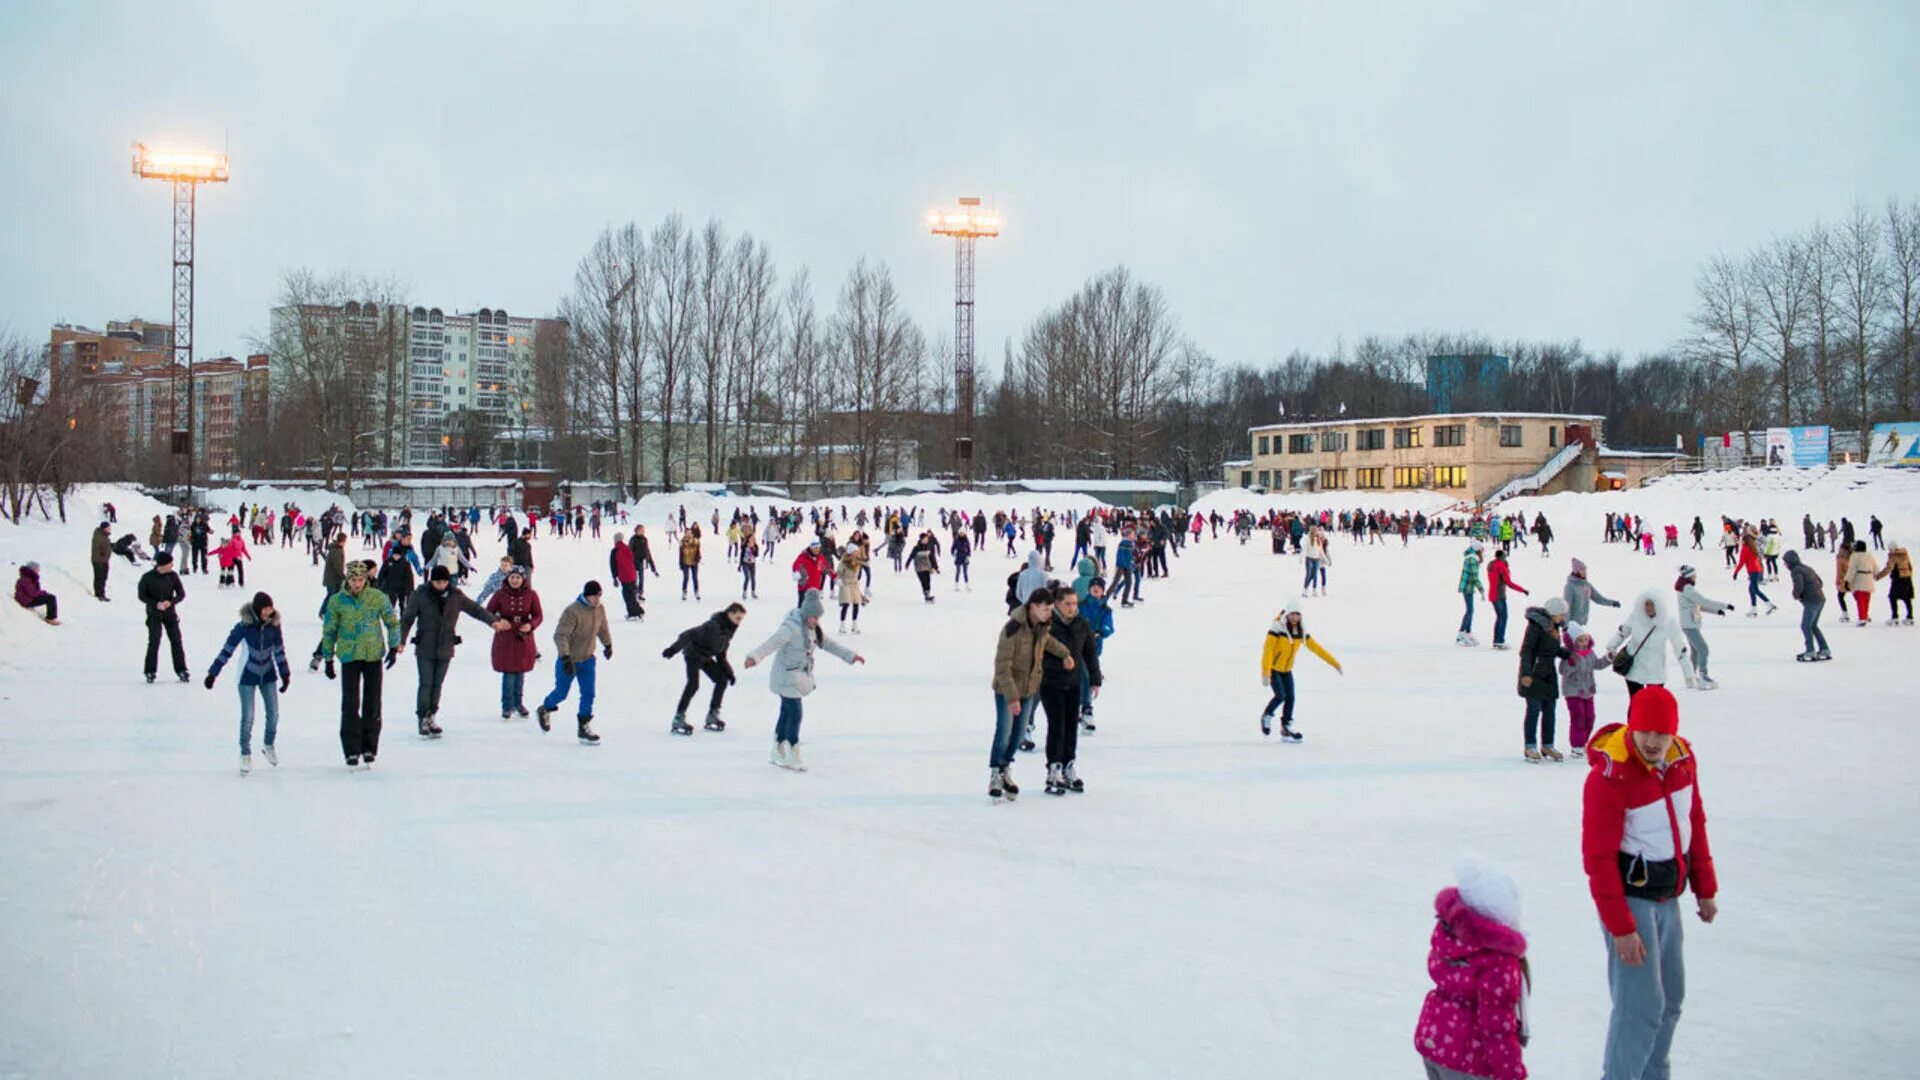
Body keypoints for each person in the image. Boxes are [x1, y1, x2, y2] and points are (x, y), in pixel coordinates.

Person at [1581, 686, 1718, 1080]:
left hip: (1668, 898)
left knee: (1670, 1000)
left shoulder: (1681, 763)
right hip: (1630, 902)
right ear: (1632, 726)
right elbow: (1598, 859)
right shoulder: (1610, 777)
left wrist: (1704, 887)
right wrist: (1621, 928)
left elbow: (1695, 824)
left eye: (1662, 733)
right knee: (1640, 1006)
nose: (1654, 742)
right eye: (1646, 732)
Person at [1412, 855, 1530, 1080]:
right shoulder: (1499, 963)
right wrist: (1512, 1074)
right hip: (1470, 1061)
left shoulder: (1449, 938)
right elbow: (1497, 1028)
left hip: (1435, 1042)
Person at [742, 588, 864, 771]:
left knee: (786, 713)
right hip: (785, 676)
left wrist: (850, 656)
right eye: (813, 617)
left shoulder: (813, 630)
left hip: (796, 676)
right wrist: (754, 657)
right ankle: (792, 752)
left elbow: (829, 645)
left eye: (818, 617)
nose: (816, 620)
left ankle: (778, 749)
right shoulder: (791, 628)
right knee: (795, 714)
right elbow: (772, 642)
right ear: (806, 614)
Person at [401, 565, 507, 738]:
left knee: (437, 684)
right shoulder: (420, 595)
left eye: (443, 581)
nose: (441, 585)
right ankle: (422, 718)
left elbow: (475, 609)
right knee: (426, 683)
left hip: (445, 646)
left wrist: (492, 621)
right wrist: (401, 640)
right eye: (437, 581)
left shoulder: (455, 596)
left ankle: (431, 716)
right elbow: (407, 619)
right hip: (425, 647)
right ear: (431, 581)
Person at [988, 587, 1073, 800]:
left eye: (1050, 609)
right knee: (1004, 733)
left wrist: (1065, 654)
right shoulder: (1013, 628)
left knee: (1017, 737)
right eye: (1045, 609)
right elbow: (1002, 665)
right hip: (1007, 690)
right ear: (1033, 607)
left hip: (1029, 689)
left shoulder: (1042, 626)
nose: (1048, 613)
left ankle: (1006, 767)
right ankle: (996, 773)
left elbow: (1047, 643)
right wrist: (1012, 697)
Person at [319, 561, 403, 769]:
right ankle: (351, 748)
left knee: (372, 702)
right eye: (354, 580)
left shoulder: (376, 597)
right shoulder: (337, 601)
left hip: (372, 654)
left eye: (360, 580)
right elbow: (329, 630)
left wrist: (393, 647)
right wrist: (328, 658)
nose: (357, 584)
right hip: (349, 655)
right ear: (347, 580)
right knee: (350, 702)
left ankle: (369, 746)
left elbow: (392, 622)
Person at [205, 591, 292, 774]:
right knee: (248, 717)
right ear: (257, 609)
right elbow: (227, 649)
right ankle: (245, 753)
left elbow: (279, 651)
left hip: (268, 675)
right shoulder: (243, 627)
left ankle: (268, 744)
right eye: (265, 609)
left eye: (270, 608)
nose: (268, 612)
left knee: (274, 714)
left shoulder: (274, 626)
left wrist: (285, 674)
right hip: (247, 675)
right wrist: (213, 673)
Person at [1040, 585, 1104, 795]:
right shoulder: (1048, 625)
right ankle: (1054, 768)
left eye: (1075, 604)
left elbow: (1090, 653)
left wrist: (1095, 678)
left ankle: (1068, 765)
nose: (1071, 608)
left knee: (1070, 727)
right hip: (1051, 683)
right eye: (1067, 604)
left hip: (1073, 683)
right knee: (1057, 726)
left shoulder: (1081, 624)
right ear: (1057, 603)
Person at [535, 580, 612, 745]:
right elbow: (560, 635)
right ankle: (545, 708)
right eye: (594, 596)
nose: (597, 600)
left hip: (588, 660)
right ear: (586, 595)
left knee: (588, 694)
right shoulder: (572, 611)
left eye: (599, 596)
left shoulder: (599, 609)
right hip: (569, 660)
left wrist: (607, 644)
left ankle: (583, 726)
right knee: (561, 692)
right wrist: (565, 657)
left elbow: (602, 627)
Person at [1259, 600, 1343, 740]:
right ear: (1287, 614)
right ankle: (1267, 715)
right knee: (1280, 695)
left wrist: (1335, 664)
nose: (1295, 618)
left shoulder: (1301, 632)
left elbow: (1317, 649)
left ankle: (1286, 727)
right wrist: (1266, 673)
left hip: (1287, 670)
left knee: (1290, 697)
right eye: (1292, 614)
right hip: (1274, 669)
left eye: (1297, 615)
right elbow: (1267, 652)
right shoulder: (1276, 630)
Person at [663, 604, 744, 735]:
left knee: (722, 680)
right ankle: (678, 717)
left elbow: (721, 655)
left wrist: (730, 673)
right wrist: (673, 649)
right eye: (738, 618)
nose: (739, 622)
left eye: (741, 619)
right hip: (693, 655)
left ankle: (713, 714)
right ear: (730, 614)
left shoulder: (728, 631)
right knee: (693, 685)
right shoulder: (712, 626)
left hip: (705, 657)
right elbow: (688, 635)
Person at [1604, 590, 1688, 702]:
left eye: (1652, 604)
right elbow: (1622, 632)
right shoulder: (1636, 617)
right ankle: (1632, 720)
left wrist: (1689, 674)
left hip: (1655, 671)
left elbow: (1679, 647)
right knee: (1635, 704)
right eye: (1646, 604)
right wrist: (1611, 647)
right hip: (1635, 669)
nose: (1648, 607)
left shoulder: (1669, 622)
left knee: (1653, 706)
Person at [1517, 595, 1571, 762]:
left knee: (1549, 711)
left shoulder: (1554, 626)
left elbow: (1550, 648)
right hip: (1533, 674)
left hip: (1549, 674)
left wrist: (1565, 654)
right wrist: (1526, 674)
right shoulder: (1536, 627)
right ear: (1553, 613)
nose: (1563, 617)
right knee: (1533, 710)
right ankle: (1530, 746)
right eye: (1561, 614)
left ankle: (1548, 744)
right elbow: (1527, 650)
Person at [485, 565, 542, 720]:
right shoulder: (499, 594)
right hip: (506, 637)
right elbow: (487, 612)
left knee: (520, 671)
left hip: (523, 636)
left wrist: (531, 625)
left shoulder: (531, 594)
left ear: (523, 579)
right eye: (512, 577)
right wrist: (498, 621)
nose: (515, 580)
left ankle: (518, 703)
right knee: (509, 672)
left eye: (517, 577)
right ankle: (507, 706)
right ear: (507, 578)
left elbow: (538, 615)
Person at [1672, 566, 1732, 690]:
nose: (1696, 577)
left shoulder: (1686, 588)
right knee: (1703, 649)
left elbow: (1697, 605)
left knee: (1695, 651)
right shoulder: (1687, 588)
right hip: (1689, 625)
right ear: (1689, 576)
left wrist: (1717, 611)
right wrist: (1725, 605)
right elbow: (1703, 601)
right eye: (1694, 575)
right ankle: (1703, 676)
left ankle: (1691, 677)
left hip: (1690, 623)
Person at [138, 551, 188, 682]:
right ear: (162, 565)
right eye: (170, 564)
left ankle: (182, 669)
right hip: (154, 614)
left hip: (170, 613)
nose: (172, 566)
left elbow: (181, 594)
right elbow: (142, 596)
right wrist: (155, 604)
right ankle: (150, 671)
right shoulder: (147, 577)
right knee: (154, 641)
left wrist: (170, 602)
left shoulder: (173, 576)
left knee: (176, 641)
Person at [1560, 621, 1605, 754]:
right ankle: (1577, 745)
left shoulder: (1590, 653)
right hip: (1573, 691)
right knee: (1578, 717)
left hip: (1588, 690)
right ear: (1573, 642)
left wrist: (1608, 659)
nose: (1584, 642)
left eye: (1586, 639)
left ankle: (1584, 741)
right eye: (1580, 640)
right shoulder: (1569, 654)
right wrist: (1571, 663)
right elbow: (1563, 670)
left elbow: (1597, 664)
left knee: (1590, 717)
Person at [1782, 550, 1832, 661]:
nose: (1784, 565)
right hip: (1820, 599)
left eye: (1785, 562)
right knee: (1812, 625)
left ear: (1790, 561)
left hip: (1812, 601)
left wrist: (1796, 595)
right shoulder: (1807, 568)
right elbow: (1820, 582)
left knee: (1805, 626)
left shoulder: (1796, 571)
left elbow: (1798, 586)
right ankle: (1824, 649)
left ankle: (1810, 651)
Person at [1486, 549, 1528, 650]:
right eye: (1505, 555)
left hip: (1492, 594)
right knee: (1503, 618)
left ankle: (1497, 640)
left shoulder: (1491, 565)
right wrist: (1523, 590)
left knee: (1499, 617)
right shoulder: (1501, 566)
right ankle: (1499, 641)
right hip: (1499, 595)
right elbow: (1508, 583)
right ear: (1501, 557)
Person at [1563, 557, 1621, 627]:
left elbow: (1599, 598)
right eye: (1581, 570)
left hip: (1583, 624)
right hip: (1572, 625)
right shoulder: (1570, 586)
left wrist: (1612, 603)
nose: (1584, 572)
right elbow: (1566, 607)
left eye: (1585, 570)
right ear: (1576, 571)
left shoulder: (1586, 585)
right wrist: (1565, 625)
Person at [1734, 530, 1775, 616]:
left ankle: (1769, 604)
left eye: (1742, 540)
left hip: (1753, 571)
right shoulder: (1752, 547)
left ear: (1744, 541)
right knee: (1751, 590)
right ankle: (1754, 609)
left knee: (1755, 589)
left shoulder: (1745, 549)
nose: (1741, 542)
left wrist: (1736, 573)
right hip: (1757, 570)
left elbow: (1741, 562)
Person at [1875, 539, 1913, 624]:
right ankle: (1910, 616)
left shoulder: (1893, 556)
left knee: (1892, 597)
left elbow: (1889, 568)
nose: (1889, 550)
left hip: (1898, 579)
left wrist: (1878, 576)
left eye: (1890, 548)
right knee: (1907, 597)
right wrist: (1908, 574)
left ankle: (1895, 617)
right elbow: (1910, 566)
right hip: (1907, 578)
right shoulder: (1905, 554)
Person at [1456, 543, 1486, 647]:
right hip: (1468, 587)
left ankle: (1467, 632)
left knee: (1470, 610)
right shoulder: (1472, 559)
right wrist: (1481, 590)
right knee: (1470, 610)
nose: (1483, 552)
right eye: (1482, 550)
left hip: (1469, 586)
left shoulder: (1471, 558)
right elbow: (1475, 577)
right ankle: (1461, 634)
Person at [1844, 540, 1879, 624]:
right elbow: (1875, 567)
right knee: (1866, 600)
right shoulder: (1869, 556)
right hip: (1869, 579)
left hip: (1859, 579)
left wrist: (1847, 580)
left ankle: (1862, 618)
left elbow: (1851, 569)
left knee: (1860, 600)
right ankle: (1865, 615)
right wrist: (1876, 575)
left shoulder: (1855, 556)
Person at [610, 532, 643, 620]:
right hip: (632, 575)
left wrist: (614, 577)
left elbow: (613, 565)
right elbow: (634, 560)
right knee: (631, 594)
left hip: (624, 576)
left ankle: (635, 613)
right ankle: (637, 611)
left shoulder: (615, 551)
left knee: (627, 596)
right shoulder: (627, 548)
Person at [792, 537, 833, 607]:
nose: (817, 549)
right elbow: (796, 564)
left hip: (815, 588)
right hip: (804, 588)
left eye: (818, 548)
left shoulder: (820, 558)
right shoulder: (803, 556)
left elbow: (827, 568)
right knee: (802, 608)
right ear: (811, 548)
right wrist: (796, 572)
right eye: (815, 548)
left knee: (813, 609)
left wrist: (835, 577)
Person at [836, 548, 867, 632]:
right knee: (846, 604)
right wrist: (838, 580)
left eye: (857, 551)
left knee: (856, 603)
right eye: (855, 551)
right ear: (851, 552)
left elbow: (863, 567)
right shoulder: (844, 561)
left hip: (854, 584)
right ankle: (842, 625)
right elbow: (838, 572)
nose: (857, 553)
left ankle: (854, 624)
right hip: (845, 584)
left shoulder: (858, 561)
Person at [678, 526, 703, 601]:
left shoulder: (696, 541)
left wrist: (698, 557)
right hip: (685, 562)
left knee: (695, 577)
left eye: (690, 533)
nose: (689, 534)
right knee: (686, 577)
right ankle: (684, 591)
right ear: (685, 534)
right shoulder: (682, 542)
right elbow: (680, 554)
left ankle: (696, 591)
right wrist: (680, 563)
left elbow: (698, 551)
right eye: (687, 533)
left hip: (694, 562)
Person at [91, 522, 112, 601]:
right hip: (98, 561)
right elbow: (96, 549)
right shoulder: (98, 536)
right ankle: (100, 594)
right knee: (99, 577)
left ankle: (101, 593)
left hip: (104, 560)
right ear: (104, 528)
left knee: (104, 577)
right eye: (108, 528)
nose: (109, 529)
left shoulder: (104, 536)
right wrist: (102, 556)